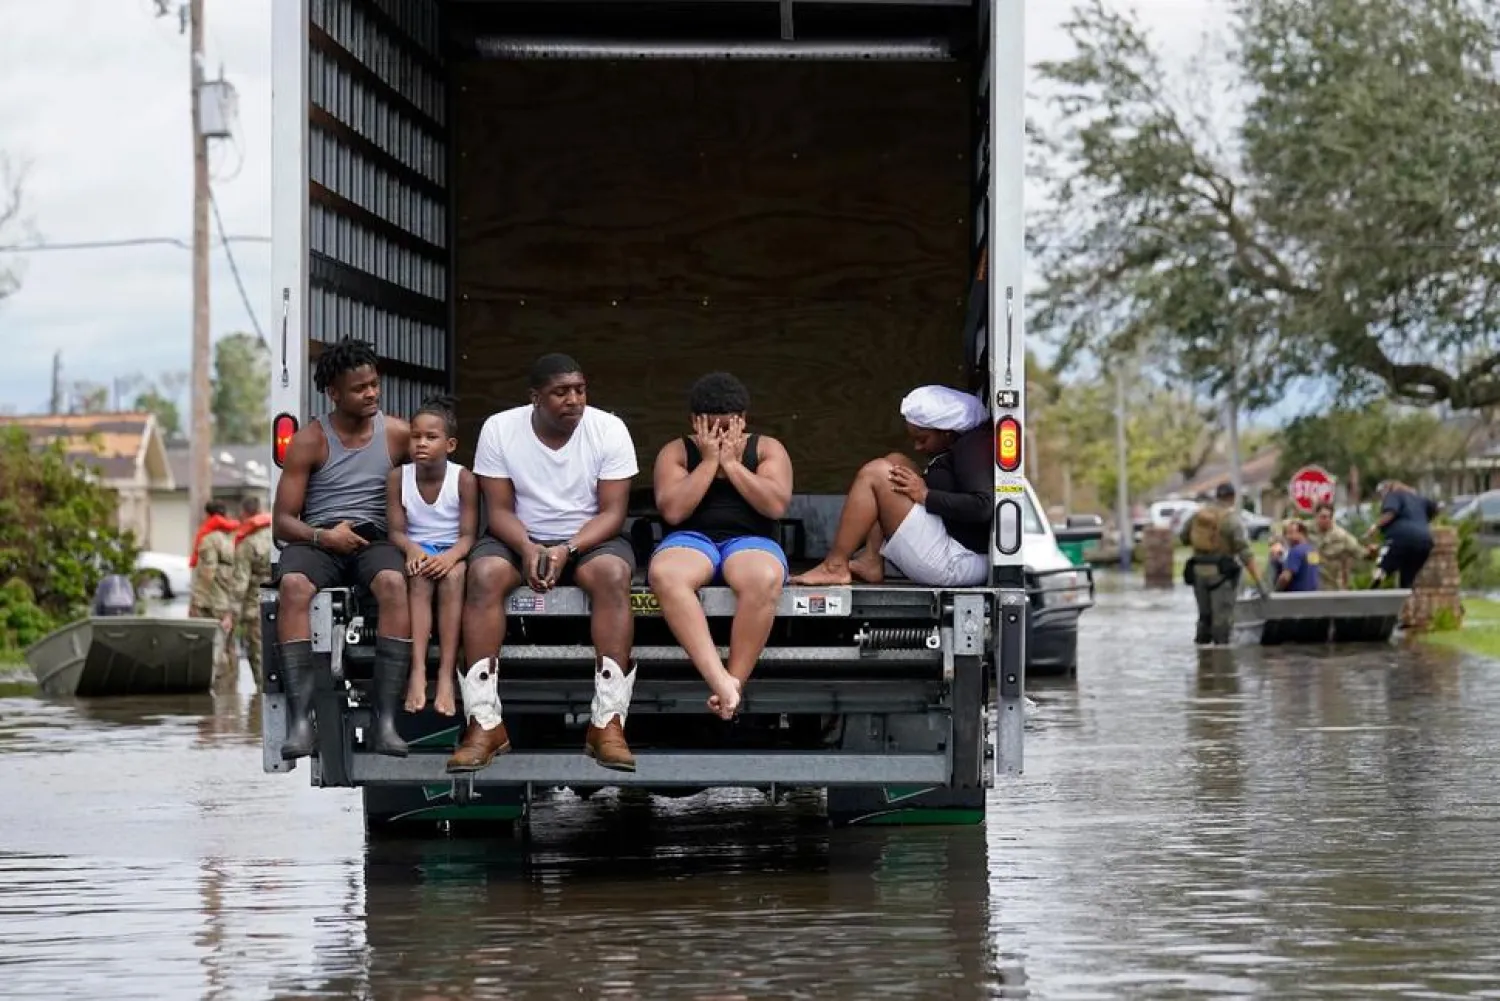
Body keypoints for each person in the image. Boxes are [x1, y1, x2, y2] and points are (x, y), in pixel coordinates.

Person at [455, 353, 640, 774]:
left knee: (613, 574)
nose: (574, 400)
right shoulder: (500, 428)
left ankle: (607, 723)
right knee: (482, 575)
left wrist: (567, 549)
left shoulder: (609, 429)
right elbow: (498, 511)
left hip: (590, 540)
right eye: (561, 392)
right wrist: (527, 546)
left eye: (580, 389)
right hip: (518, 536)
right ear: (535, 398)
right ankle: (484, 724)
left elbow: (613, 513)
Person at [271, 337, 412, 760]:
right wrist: (323, 537)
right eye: (358, 388)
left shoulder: (399, 435)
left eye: (374, 384)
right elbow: (282, 523)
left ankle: (385, 723)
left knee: (392, 582)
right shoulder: (311, 440)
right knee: (293, 585)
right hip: (320, 539)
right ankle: (301, 723)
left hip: (374, 539)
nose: (370, 393)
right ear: (333, 393)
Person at [648, 373, 793, 719]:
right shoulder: (676, 451)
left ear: (743, 420)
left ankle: (734, 683)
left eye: (729, 427)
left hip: (751, 540)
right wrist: (711, 461)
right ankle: (719, 679)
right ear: (693, 423)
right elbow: (673, 509)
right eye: (711, 428)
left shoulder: (768, 448)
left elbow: (774, 505)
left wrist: (732, 464)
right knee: (665, 574)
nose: (721, 436)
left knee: (763, 577)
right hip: (691, 539)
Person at [792, 385, 991, 588]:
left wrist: (926, 496)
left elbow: (983, 505)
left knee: (876, 473)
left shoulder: (971, 450)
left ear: (947, 433)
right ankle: (871, 559)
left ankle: (834, 567)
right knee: (896, 462)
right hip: (955, 544)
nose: (917, 448)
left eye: (922, 440)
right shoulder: (960, 445)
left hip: (958, 560)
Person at [386, 394, 479, 717]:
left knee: (454, 578)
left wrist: (451, 557)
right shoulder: (399, 477)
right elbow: (396, 531)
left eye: (431, 437)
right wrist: (412, 549)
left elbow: (468, 535)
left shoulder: (463, 479)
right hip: (417, 550)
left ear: (450, 444)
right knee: (419, 580)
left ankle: (445, 677)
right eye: (415, 436)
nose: (421, 444)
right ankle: (417, 672)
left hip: (452, 552)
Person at [1179, 482, 1262, 646]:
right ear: (1232, 498)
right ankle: (1222, 663)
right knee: (1222, 620)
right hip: (1222, 576)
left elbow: (1183, 537)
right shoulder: (1231, 520)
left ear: (1217, 496)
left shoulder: (1197, 516)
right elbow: (1245, 553)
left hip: (1198, 573)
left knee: (1204, 616)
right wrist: (1260, 583)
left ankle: (1202, 660)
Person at [189, 500, 240, 691]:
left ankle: (218, 692)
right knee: (230, 646)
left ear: (208, 516)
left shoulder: (209, 539)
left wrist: (196, 601)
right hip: (229, 602)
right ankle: (232, 691)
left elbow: (207, 573)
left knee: (211, 647)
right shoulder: (233, 537)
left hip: (211, 602)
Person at [230, 496, 274, 689]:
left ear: (245, 514)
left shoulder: (247, 544)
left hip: (255, 607)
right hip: (284, 603)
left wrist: (231, 614)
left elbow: (240, 583)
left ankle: (261, 698)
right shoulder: (277, 536)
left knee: (258, 653)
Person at [1367, 480, 1436, 588]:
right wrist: (1422, 523)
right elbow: (1435, 508)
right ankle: (1404, 593)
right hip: (1425, 541)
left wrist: (1375, 526)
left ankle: (1372, 588)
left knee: (1383, 566)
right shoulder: (1419, 498)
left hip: (1400, 538)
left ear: (1387, 489)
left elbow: (1390, 513)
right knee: (1408, 575)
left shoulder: (1393, 495)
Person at [1308, 503, 1363, 590]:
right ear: (1316, 516)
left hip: (1333, 586)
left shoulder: (1341, 536)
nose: (1326, 520)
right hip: (1311, 585)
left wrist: (1371, 552)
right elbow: (1285, 528)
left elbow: (1360, 552)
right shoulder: (1306, 529)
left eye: (1329, 517)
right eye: (1323, 517)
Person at [1274, 518, 1321, 592]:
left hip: (1296, 598)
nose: (1287, 537)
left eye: (1290, 533)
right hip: (1313, 596)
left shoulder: (1295, 551)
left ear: (1301, 533)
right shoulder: (1313, 551)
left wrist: (1275, 592)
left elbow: (1285, 578)